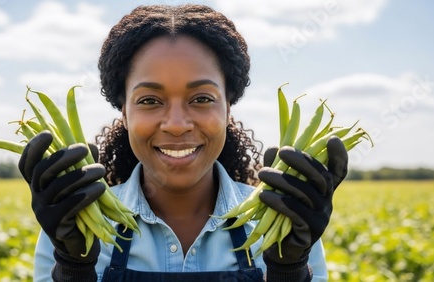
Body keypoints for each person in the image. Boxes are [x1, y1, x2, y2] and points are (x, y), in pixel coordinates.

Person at [18, 4, 348, 282]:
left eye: (202, 98)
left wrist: (288, 272)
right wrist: (73, 269)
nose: (176, 125)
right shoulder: (72, 224)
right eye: (149, 100)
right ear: (124, 112)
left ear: (228, 108)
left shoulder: (285, 223)